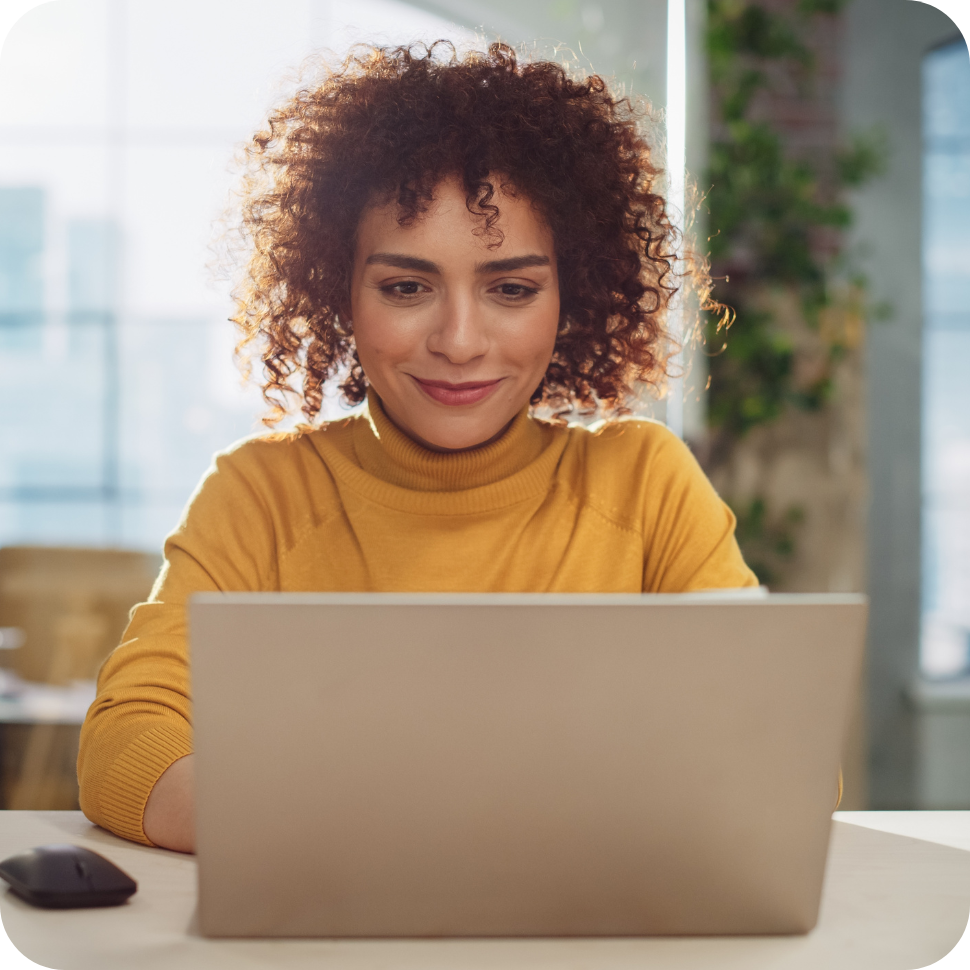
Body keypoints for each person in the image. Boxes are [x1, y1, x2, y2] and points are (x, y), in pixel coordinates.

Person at [77, 42, 758, 853]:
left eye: (512, 288)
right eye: (406, 287)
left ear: (572, 296)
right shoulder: (261, 495)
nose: (461, 342)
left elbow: (774, 758)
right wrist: (385, 834)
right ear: (340, 292)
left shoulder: (644, 485)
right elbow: (125, 745)